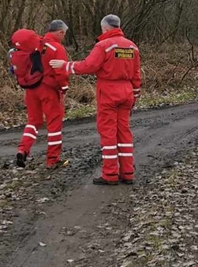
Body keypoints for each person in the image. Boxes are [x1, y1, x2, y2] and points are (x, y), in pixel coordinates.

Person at [49, 15, 141, 185]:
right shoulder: (132, 47)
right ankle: (128, 173)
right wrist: (134, 94)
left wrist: (65, 65)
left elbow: (88, 66)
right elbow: (136, 75)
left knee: (108, 133)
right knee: (124, 132)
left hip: (108, 91)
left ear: (104, 28)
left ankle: (110, 174)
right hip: (126, 91)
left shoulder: (103, 46)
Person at [15, 20, 70, 169]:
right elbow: (61, 72)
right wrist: (64, 87)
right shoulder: (56, 48)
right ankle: (53, 159)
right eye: (63, 34)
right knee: (54, 124)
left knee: (33, 121)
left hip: (31, 89)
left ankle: (23, 149)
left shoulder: (34, 45)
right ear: (60, 32)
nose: (63, 37)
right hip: (49, 90)